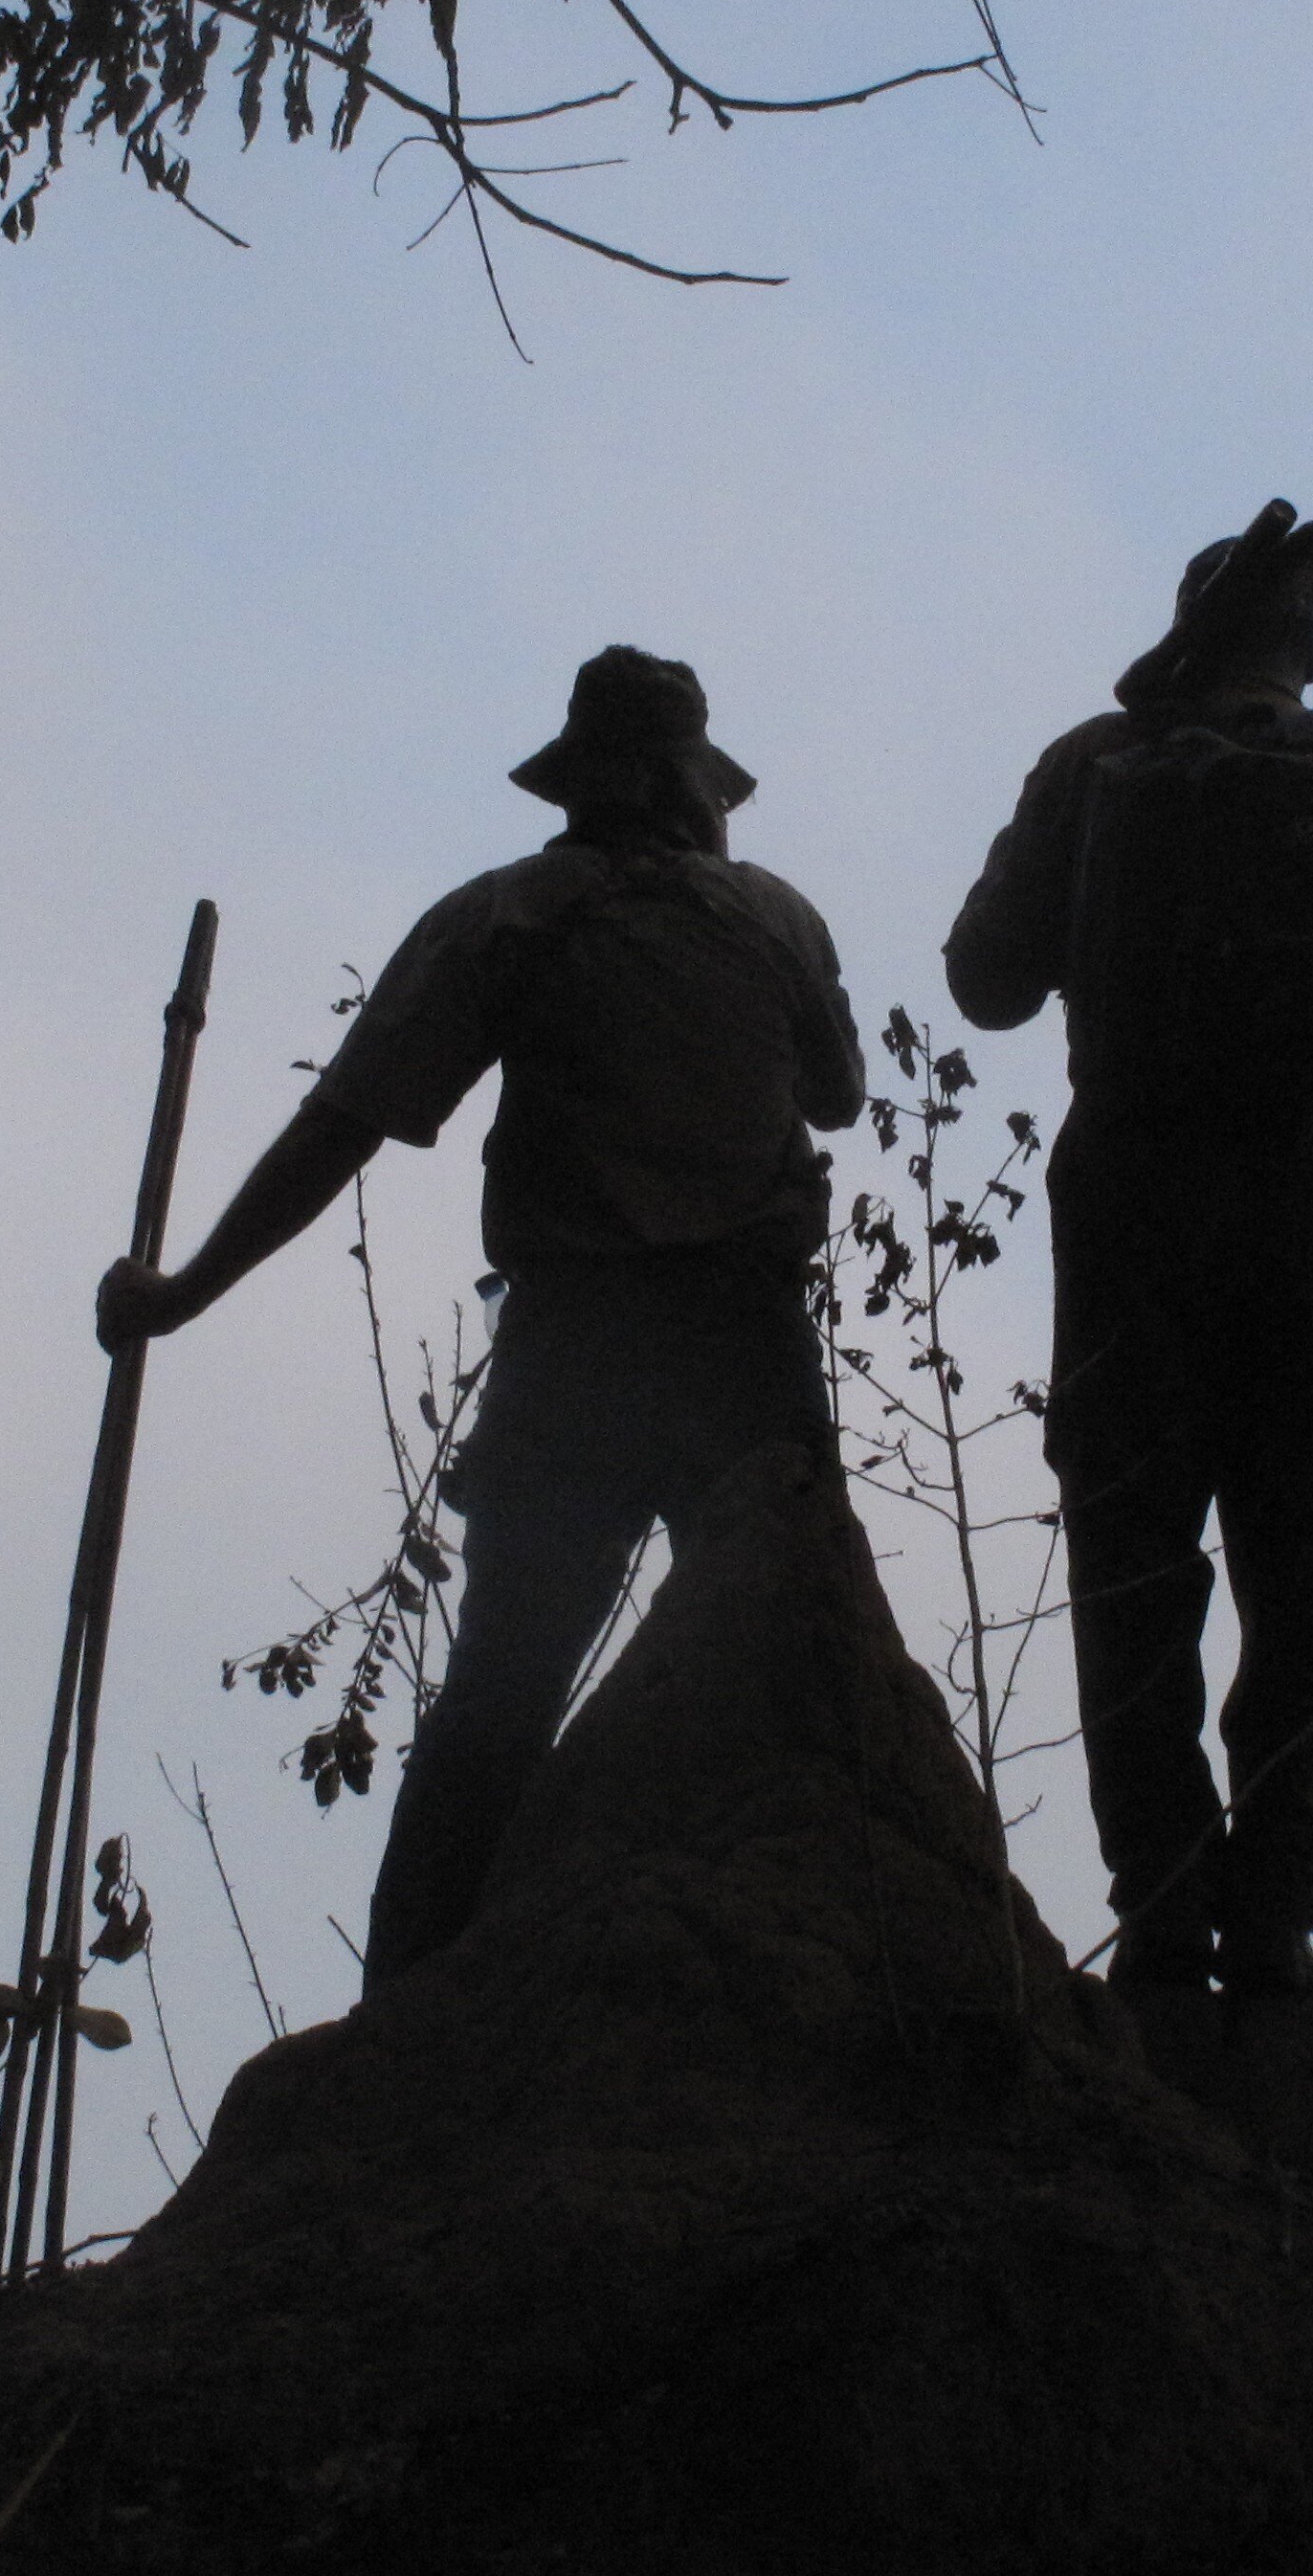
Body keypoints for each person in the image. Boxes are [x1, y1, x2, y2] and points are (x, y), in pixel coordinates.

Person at [100, 647, 864, 1986]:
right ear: (676, 785)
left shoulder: (513, 913)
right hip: (722, 1353)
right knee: (781, 1674)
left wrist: (181, 1295)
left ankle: (420, 1989)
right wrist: (185, 1298)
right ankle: (460, 2008)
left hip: (596, 1353)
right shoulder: (763, 919)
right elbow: (843, 1095)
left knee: (507, 1706)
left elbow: (338, 1128)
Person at [942, 543, 1313, 2001]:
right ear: (1308, 648)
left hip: (1134, 1212)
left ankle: (1164, 1915)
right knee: (1302, 1574)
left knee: (1135, 1561)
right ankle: (1283, 1920)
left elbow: (983, 980)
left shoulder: (1101, 764)